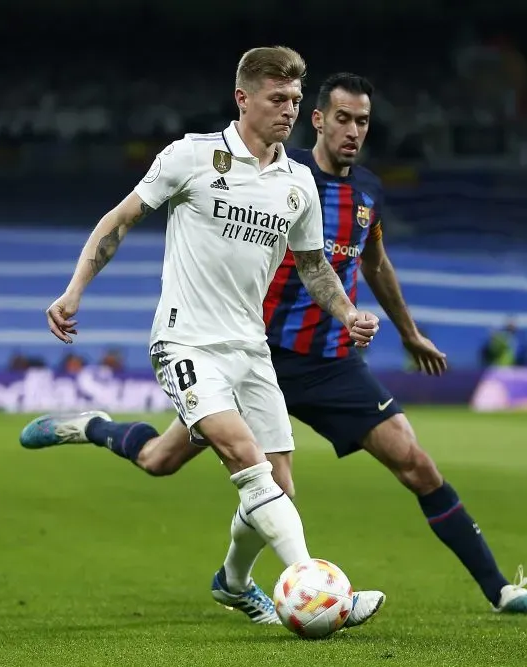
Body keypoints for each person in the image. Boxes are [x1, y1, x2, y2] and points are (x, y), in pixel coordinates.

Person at [24, 72, 527, 617]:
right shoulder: (279, 170)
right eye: (343, 119)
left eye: (363, 121)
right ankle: (93, 426)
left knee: (415, 462)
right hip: (254, 351)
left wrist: (405, 330)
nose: (353, 131)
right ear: (319, 121)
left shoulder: (366, 193)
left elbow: (371, 263)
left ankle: (501, 590)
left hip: (329, 362)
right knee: (161, 460)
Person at [39, 49, 385, 628]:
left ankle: (230, 579)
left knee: (210, 469)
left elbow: (313, 265)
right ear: (243, 99)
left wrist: (348, 313)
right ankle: (322, 592)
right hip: (185, 341)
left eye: (297, 101)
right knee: (246, 461)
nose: (290, 112)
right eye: (278, 100)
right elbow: (118, 220)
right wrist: (74, 290)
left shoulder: (297, 182)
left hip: (250, 348)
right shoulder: (192, 156)